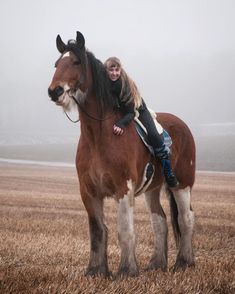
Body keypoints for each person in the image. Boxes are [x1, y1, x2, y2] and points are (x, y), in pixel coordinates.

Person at [104, 57, 179, 188]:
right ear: (106, 70)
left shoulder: (125, 85)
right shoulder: (104, 84)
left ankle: (168, 172)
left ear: (120, 70)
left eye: (117, 70)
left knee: (154, 135)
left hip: (137, 110)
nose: (114, 73)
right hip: (119, 110)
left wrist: (121, 124)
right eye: (111, 70)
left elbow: (131, 113)